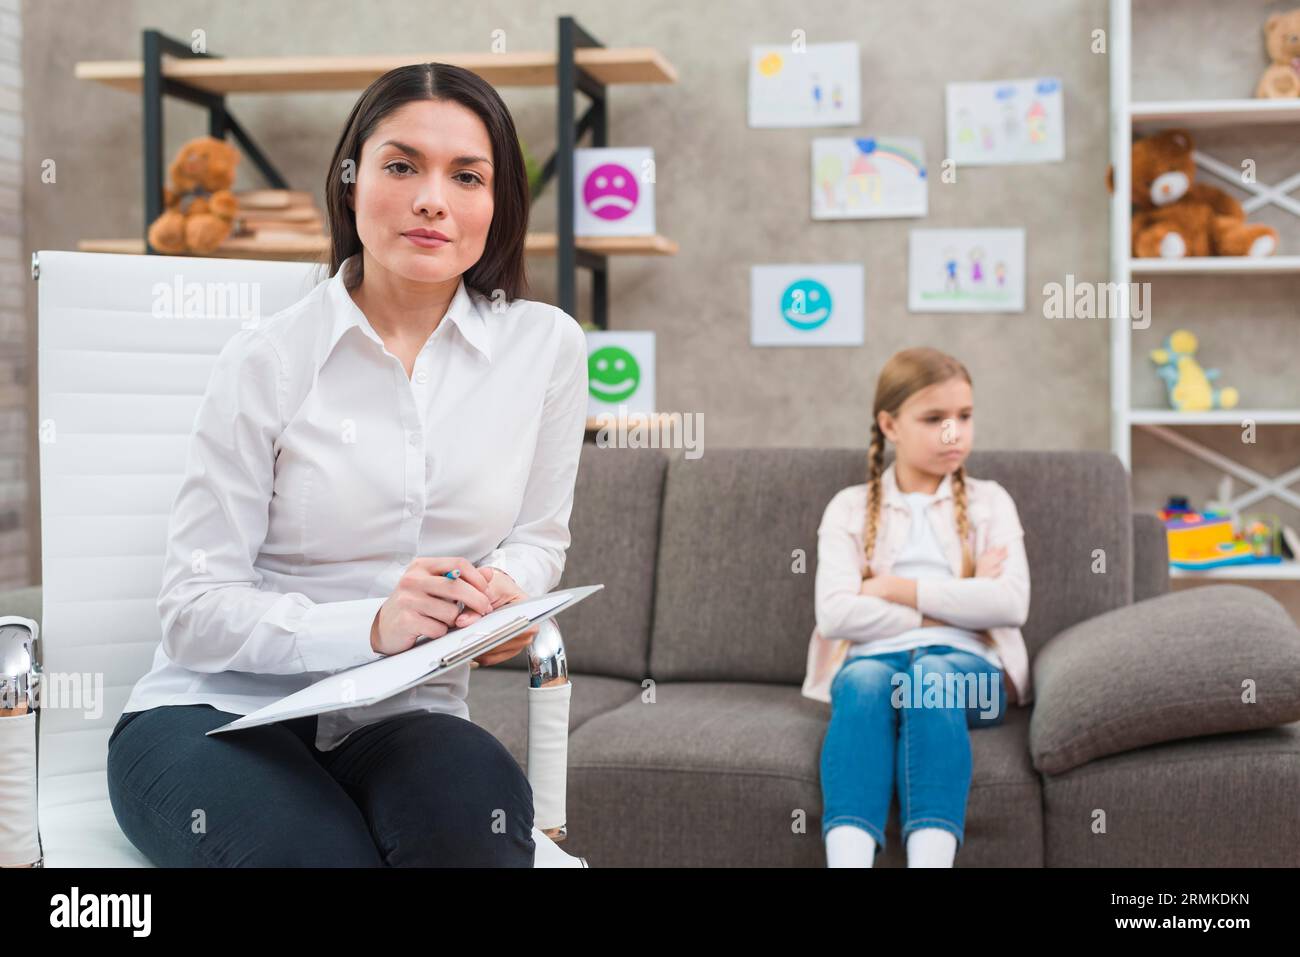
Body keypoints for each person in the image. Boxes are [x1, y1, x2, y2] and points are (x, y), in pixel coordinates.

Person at [106, 62, 588, 867]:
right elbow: (192, 606)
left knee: (476, 840)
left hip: (410, 714)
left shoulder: (546, 348)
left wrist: (503, 597)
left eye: (467, 175)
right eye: (402, 166)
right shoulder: (264, 359)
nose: (433, 198)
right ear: (351, 179)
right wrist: (368, 626)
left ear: (496, 202)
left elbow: (539, 538)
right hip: (216, 714)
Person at [802, 347, 1032, 868]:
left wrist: (891, 587)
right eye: (934, 419)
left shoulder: (991, 501)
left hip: (972, 668)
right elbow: (836, 614)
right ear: (890, 424)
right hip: (871, 661)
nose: (954, 433)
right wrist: (961, 597)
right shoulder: (848, 508)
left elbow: (1011, 603)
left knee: (931, 677)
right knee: (863, 684)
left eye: (964, 417)